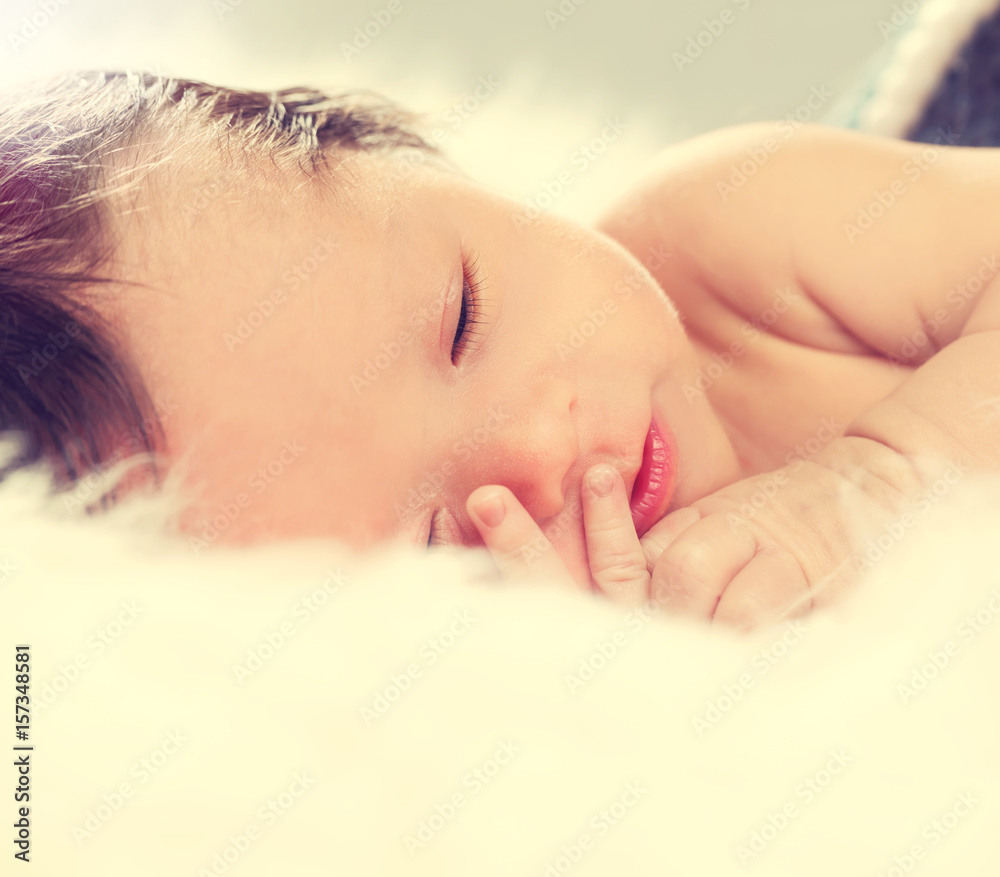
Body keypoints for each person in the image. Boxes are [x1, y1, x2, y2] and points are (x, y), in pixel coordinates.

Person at [2, 71, 996, 630]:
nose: (533, 453)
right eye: (444, 544)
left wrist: (881, 471)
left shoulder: (741, 230)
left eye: (462, 320)